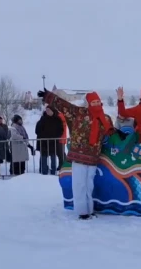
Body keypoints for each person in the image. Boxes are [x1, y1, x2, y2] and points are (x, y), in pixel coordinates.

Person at [38, 88, 113, 220]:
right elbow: (63, 105)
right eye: (93, 102)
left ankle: (89, 210)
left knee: (89, 185)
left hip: (94, 157)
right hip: (78, 156)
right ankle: (82, 212)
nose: (96, 104)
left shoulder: (105, 118)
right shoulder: (79, 113)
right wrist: (49, 96)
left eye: (97, 102)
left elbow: (111, 133)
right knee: (79, 184)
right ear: (88, 103)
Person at [36, 106, 65, 175]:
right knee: (44, 156)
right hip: (44, 142)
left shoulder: (57, 119)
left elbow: (61, 130)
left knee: (53, 156)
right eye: (47, 110)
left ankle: (53, 171)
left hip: (53, 142)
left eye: (49, 110)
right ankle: (44, 171)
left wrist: (56, 136)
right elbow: (37, 130)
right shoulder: (42, 119)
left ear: (53, 111)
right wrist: (43, 136)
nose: (48, 111)